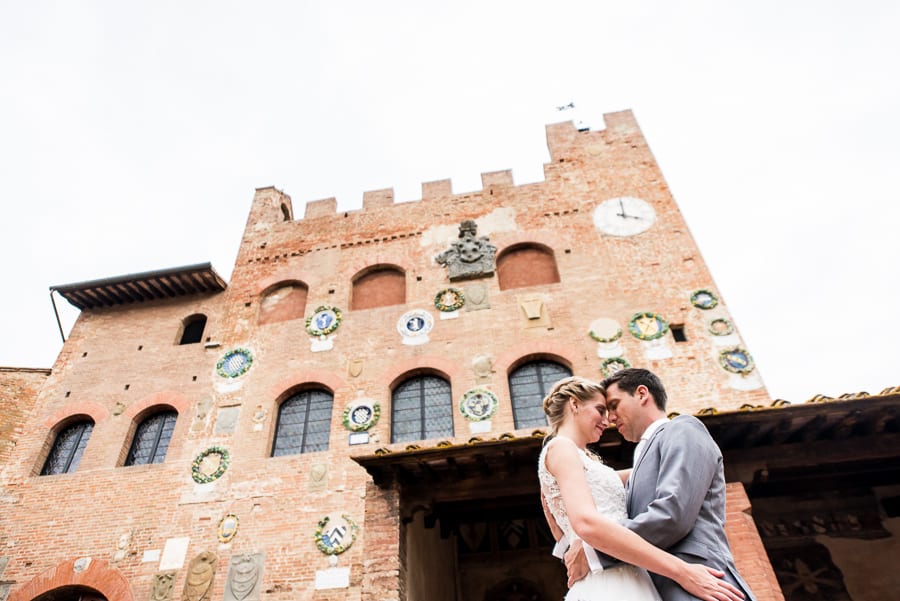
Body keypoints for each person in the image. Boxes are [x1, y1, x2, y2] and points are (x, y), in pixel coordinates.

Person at [539, 376, 745, 601]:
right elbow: (585, 523)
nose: (608, 420)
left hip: (639, 576)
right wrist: (681, 570)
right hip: (615, 582)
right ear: (574, 404)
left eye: (612, 408)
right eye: (602, 409)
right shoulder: (561, 448)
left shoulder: (594, 466)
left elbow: (644, 477)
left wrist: (587, 550)